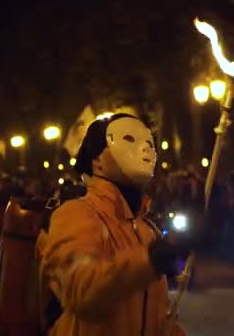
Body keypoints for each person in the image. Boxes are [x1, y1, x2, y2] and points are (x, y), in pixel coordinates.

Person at [37, 113, 187, 336]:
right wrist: (152, 259)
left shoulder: (148, 231)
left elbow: (160, 319)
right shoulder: (75, 214)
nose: (145, 149)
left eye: (149, 143)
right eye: (129, 139)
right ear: (96, 160)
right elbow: (82, 291)